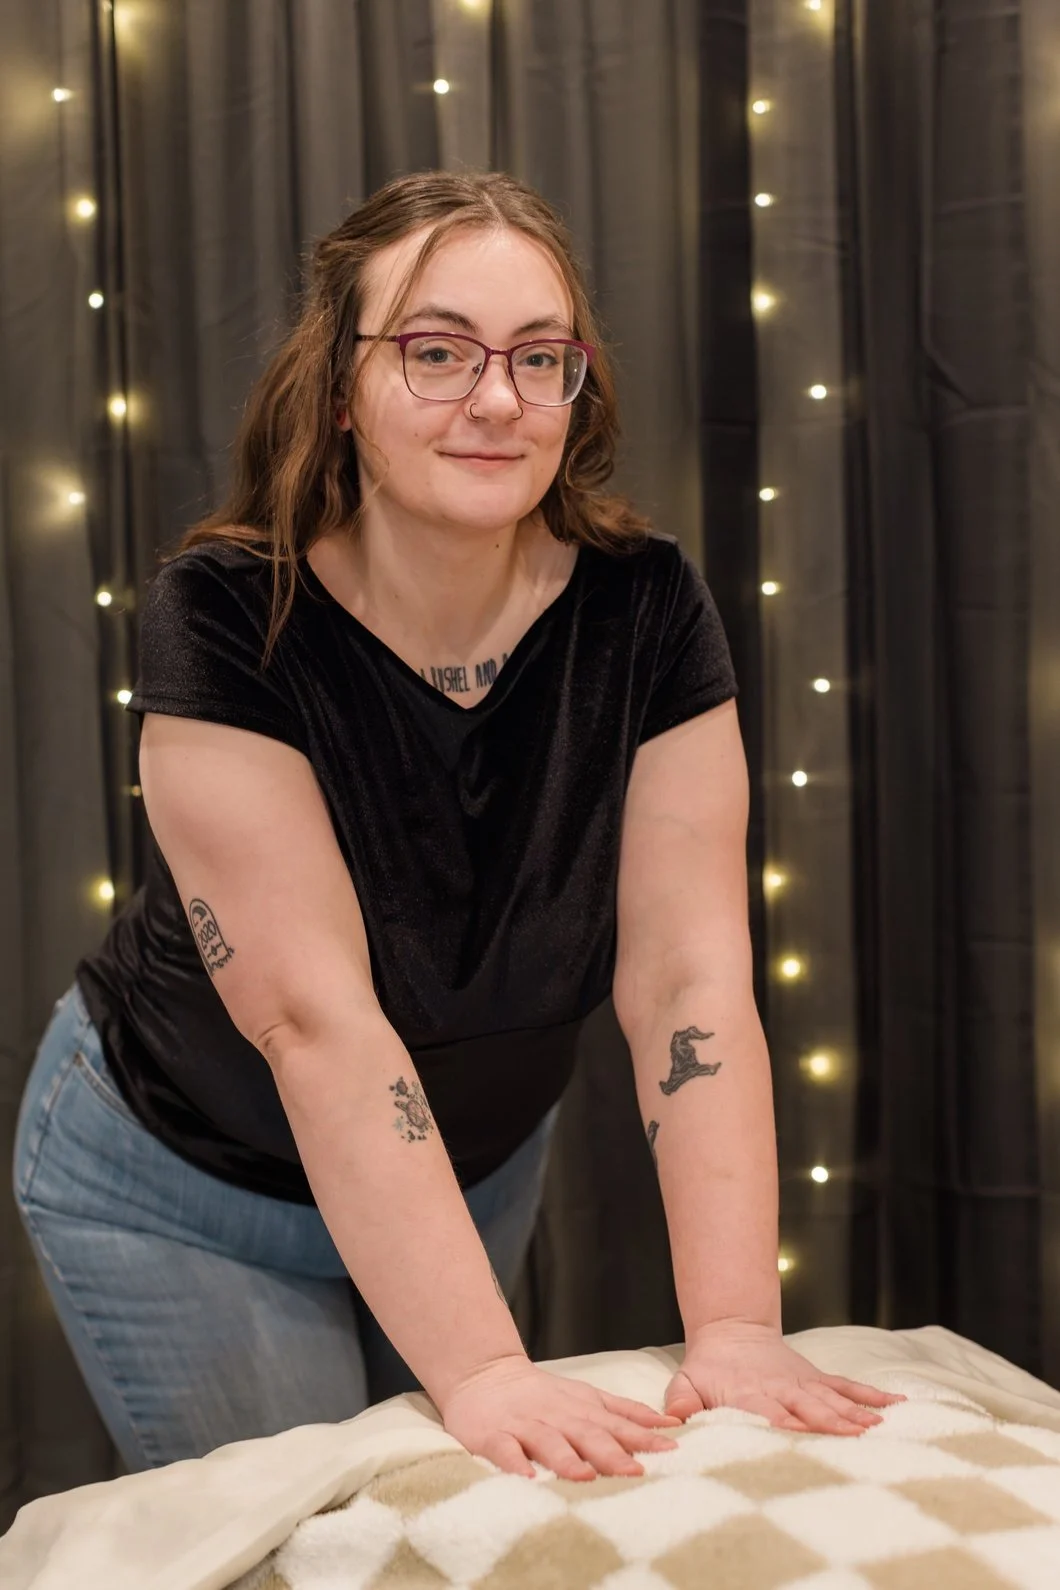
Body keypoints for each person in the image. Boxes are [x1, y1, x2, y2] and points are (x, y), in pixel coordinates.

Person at [13, 169, 900, 1481]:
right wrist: (485, 1370)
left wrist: (734, 1323)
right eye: (437, 351)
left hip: (466, 1167)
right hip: (184, 1195)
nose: (497, 398)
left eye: (540, 358)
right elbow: (315, 1020)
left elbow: (684, 977)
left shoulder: (644, 607)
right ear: (340, 388)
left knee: (461, 1525)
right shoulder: (222, 613)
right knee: (324, 1540)